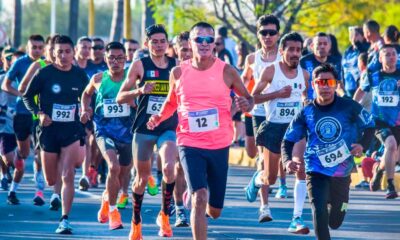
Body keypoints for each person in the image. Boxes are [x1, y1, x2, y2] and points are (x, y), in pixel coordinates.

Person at [146, 21, 253, 240]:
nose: (204, 44)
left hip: (219, 144)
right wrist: (158, 117)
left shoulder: (227, 71)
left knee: (214, 211)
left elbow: (248, 98)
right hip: (189, 142)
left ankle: (198, 199)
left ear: (214, 44)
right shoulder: (178, 72)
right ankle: (195, 197)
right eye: (199, 39)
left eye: (209, 40)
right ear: (190, 43)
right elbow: (171, 103)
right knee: (200, 197)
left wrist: (246, 105)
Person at [282, 63, 375, 240]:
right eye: (320, 82)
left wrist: (362, 145)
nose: (324, 86)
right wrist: (287, 160)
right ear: (313, 85)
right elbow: (288, 139)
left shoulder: (350, 106)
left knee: (336, 220)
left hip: (342, 172)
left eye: (329, 82)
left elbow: (370, 125)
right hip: (315, 169)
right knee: (319, 211)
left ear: (336, 84)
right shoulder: (306, 112)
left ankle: (340, 206)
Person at [116, 24, 178, 239]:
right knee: (142, 179)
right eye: (155, 41)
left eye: (163, 41)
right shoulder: (139, 65)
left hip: (168, 127)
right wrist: (140, 90)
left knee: (170, 168)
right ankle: (136, 221)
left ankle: (164, 215)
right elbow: (120, 97)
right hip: (144, 128)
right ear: (147, 44)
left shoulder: (176, 66)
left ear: (168, 43)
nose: (159, 45)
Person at [22, 35, 88, 234]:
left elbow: (88, 97)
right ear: (53, 53)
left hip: (72, 130)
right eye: (60, 51)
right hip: (49, 130)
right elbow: (26, 95)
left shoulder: (79, 75)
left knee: (69, 174)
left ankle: (65, 219)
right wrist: (39, 113)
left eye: (68, 51)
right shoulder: (44, 73)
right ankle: (54, 189)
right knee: (52, 179)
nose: (64, 55)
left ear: (73, 52)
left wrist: (87, 110)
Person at [246, 32, 310, 233]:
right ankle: (258, 179)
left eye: (298, 50)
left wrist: (306, 104)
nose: (295, 53)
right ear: (282, 51)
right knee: (270, 178)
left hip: (295, 128)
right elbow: (252, 98)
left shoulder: (305, 74)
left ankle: (296, 219)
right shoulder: (270, 71)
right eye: (291, 49)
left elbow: (307, 96)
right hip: (274, 127)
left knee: (300, 167)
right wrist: (277, 94)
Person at [81, 41, 135, 230]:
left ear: (126, 59)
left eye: (120, 58)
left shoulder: (132, 78)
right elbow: (86, 94)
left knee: (124, 172)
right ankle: (113, 212)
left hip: (128, 133)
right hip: (104, 131)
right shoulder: (98, 78)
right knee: (113, 166)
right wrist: (85, 109)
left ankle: (107, 197)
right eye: (111, 57)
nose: (116, 61)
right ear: (106, 58)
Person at [241, 14, 287, 223]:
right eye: (263, 33)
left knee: (274, 165)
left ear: (278, 34)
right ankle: (264, 208)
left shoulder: (284, 56)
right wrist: (241, 99)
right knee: (259, 156)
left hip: (282, 112)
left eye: (272, 33)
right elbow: (243, 81)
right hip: (259, 112)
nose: (267, 36)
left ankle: (257, 181)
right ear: (258, 34)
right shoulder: (252, 58)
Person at [19, 34, 63, 210]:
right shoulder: (39, 65)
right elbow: (23, 88)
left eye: (57, 49)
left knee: (61, 157)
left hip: (63, 120)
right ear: (47, 50)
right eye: (51, 49)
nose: (54, 53)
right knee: (39, 156)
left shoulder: (67, 66)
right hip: (41, 119)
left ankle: (56, 195)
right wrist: (39, 105)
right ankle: (39, 189)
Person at [1, 34, 45, 205]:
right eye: (34, 47)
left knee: (39, 153)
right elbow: (6, 85)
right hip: (22, 113)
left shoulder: (46, 64)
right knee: (24, 154)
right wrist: (22, 94)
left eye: (40, 47)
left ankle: (39, 191)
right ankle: (13, 190)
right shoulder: (20, 63)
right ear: (28, 48)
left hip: (40, 114)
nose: (37, 50)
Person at [353, 44, 400, 199]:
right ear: (380, 58)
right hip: (379, 121)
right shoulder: (373, 76)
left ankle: (378, 170)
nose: (391, 57)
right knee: (391, 145)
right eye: (386, 54)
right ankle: (391, 186)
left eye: (393, 54)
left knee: (394, 155)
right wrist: (352, 109)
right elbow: (361, 90)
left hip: (397, 120)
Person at [170, 31, 192, 227]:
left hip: (200, 126)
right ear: (176, 50)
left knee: (194, 169)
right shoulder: (172, 71)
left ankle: (192, 195)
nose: (188, 54)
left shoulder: (208, 70)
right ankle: (179, 209)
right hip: (175, 125)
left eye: (190, 50)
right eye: (184, 50)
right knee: (178, 166)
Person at [300, 32, 344, 100]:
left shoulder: (336, 62)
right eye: (319, 44)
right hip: (310, 102)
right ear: (312, 46)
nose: (322, 46)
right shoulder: (304, 61)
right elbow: (301, 84)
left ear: (329, 46)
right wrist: (304, 99)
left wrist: (343, 96)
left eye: (325, 44)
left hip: (331, 102)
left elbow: (339, 84)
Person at [0, 46, 17, 192]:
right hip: (3, 119)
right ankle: (3, 175)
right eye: (8, 58)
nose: (11, 61)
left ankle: (10, 170)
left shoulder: (22, 78)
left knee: (12, 157)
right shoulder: (1, 78)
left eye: (13, 58)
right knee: (3, 152)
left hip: (19, 119)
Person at [342, 27, 369, 97]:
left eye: (356, 34)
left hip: (360, 85)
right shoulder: (347, 51)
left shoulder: (366, 48)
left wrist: (357, 44)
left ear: (363, 36)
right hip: (348, 85)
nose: (353, 37)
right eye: (351, 34)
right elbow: (343, 68)